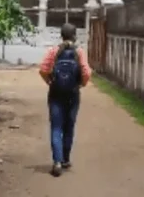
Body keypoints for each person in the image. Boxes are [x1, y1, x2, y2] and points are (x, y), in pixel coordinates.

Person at [38, 22, 92, 177]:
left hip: (55, 93)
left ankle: (57, 162)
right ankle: (66, 159)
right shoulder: (79, 52)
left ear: (61, 35)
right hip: (73, 94)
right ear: (74, 35)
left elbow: (43, 69)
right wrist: (81, 84)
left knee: (56, 127)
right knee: (69, 126)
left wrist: (49, 81)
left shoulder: (54, 51)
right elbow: (86, 73)